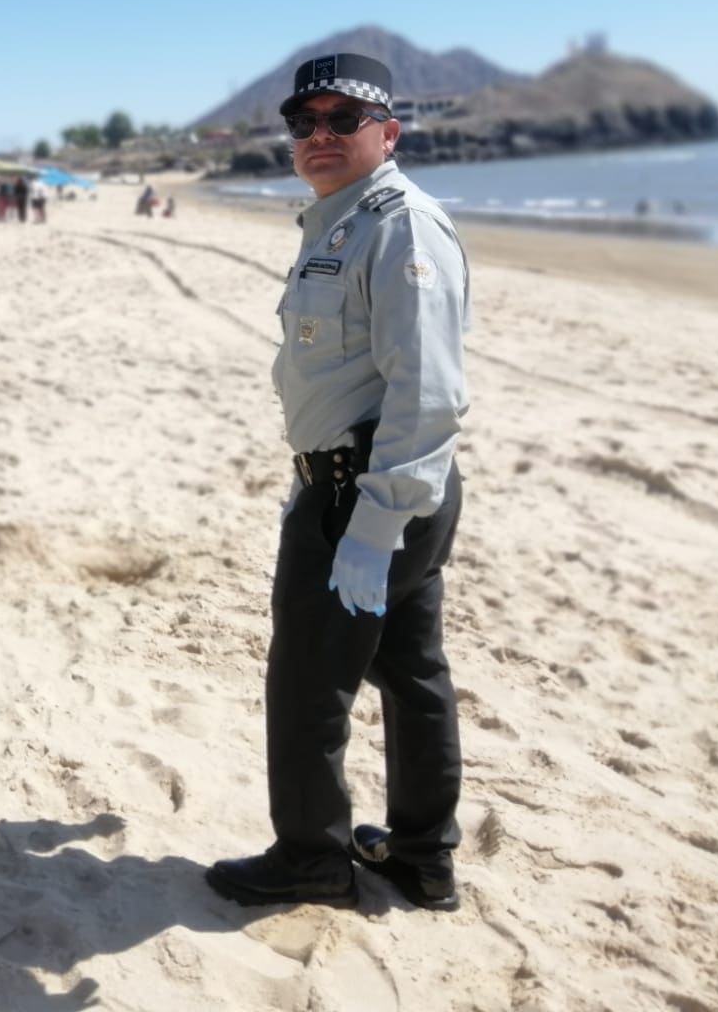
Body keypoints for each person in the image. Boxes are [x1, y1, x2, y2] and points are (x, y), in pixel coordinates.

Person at [205, 53, 471, 913]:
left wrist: (370, 525)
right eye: (303, 122)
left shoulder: (399, 227)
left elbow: (427, 396)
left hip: (373, 489)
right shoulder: (339, 219)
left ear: (387, 133)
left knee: (309, 683)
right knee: (409, 671)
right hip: (355, 479)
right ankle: (423, 859)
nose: (318, 136)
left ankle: (313, 859)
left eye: (341, 120)